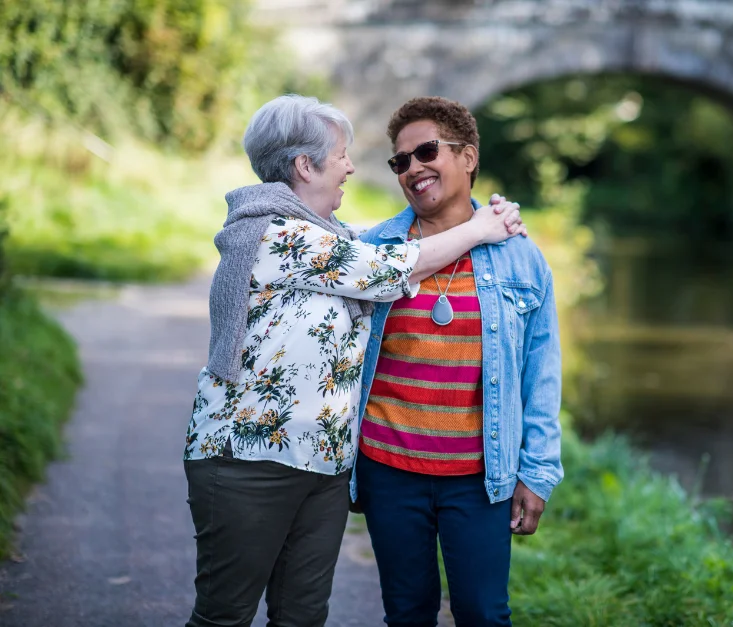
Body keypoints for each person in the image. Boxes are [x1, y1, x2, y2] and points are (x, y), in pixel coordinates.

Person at [182, 94, 524, 627]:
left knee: (301, 616)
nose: (349, 166)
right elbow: (389, 266)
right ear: (304, 165)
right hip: (248, 461)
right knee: (224, 616)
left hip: (322, 465)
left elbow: (371, 250)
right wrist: (481, 228)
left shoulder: (330, 239)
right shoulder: (275, 234)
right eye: (340, 154)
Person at [352, 96, 564, 627]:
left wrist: (537, 472)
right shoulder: (375, 248)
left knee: (484, 614)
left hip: (478, 476)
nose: (413, 169)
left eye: (427, 151)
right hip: (388, 469)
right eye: (400, 161)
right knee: (407, 613)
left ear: (468, 158)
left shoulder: (521, 256)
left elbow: (542, 373)